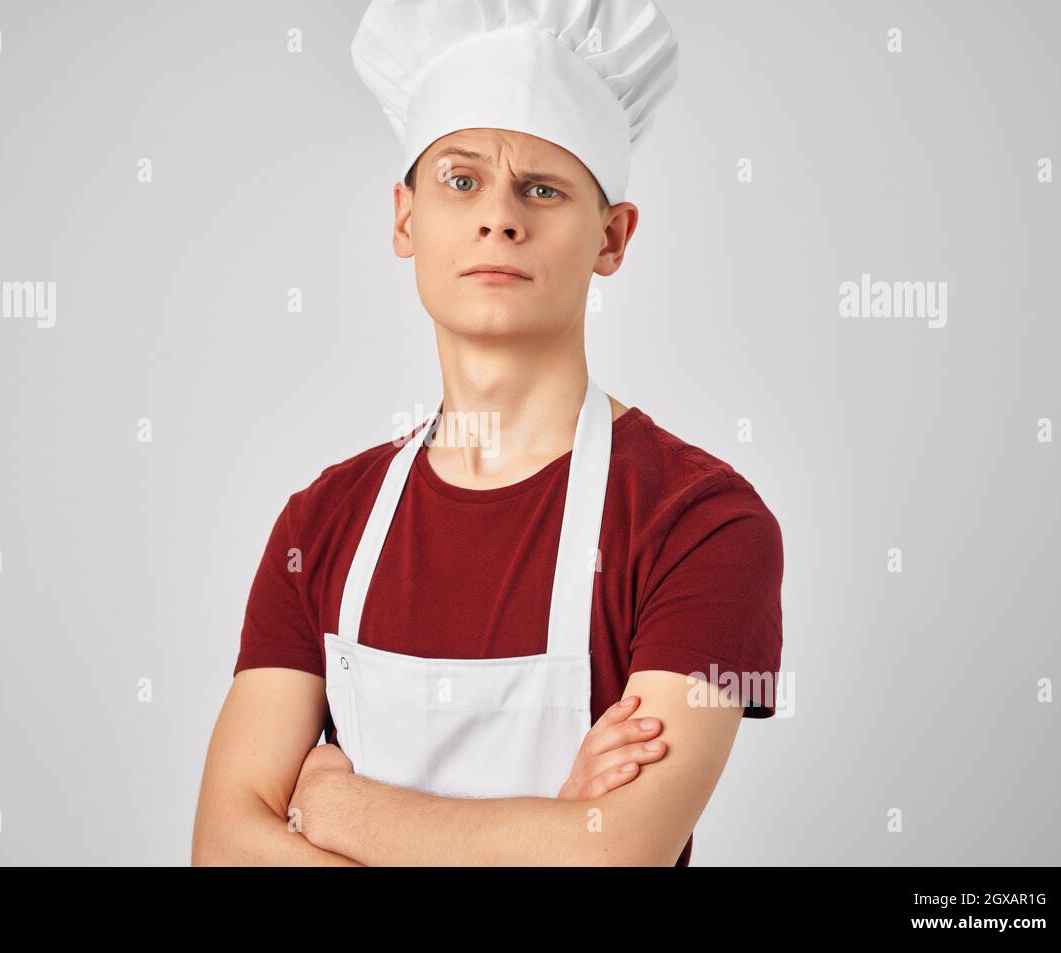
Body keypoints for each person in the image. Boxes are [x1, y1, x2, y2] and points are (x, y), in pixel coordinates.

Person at [192, 0, 784, 866]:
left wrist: (337, 807)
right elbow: (222, 847)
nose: (499, 218)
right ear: (405, 219)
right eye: (461, 180)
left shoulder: (701, 523)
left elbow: (616, 854)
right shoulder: (318, 526)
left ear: (612, 238)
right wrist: (547, 831)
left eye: (542, 188)